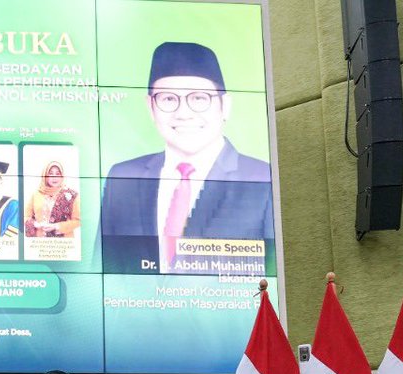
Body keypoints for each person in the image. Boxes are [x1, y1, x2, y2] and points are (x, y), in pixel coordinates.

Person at [100, 42, 273, 274]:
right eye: (168, 99)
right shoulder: (122, 177)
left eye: (199, 98)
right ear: (150, 107)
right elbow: (103, 270)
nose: (183, 113)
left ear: (225, 106)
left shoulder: (263, 178)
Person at [24, 161, 80, 238]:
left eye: (58, 174)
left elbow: (78, 220)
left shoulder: (71, 195)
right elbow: (26, 217)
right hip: (39, 241)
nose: (54, 177)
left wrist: (57, 226)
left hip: (64, 242)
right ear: (45, 175)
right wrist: (36, 224)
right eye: (50, 173)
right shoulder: (36, 194)